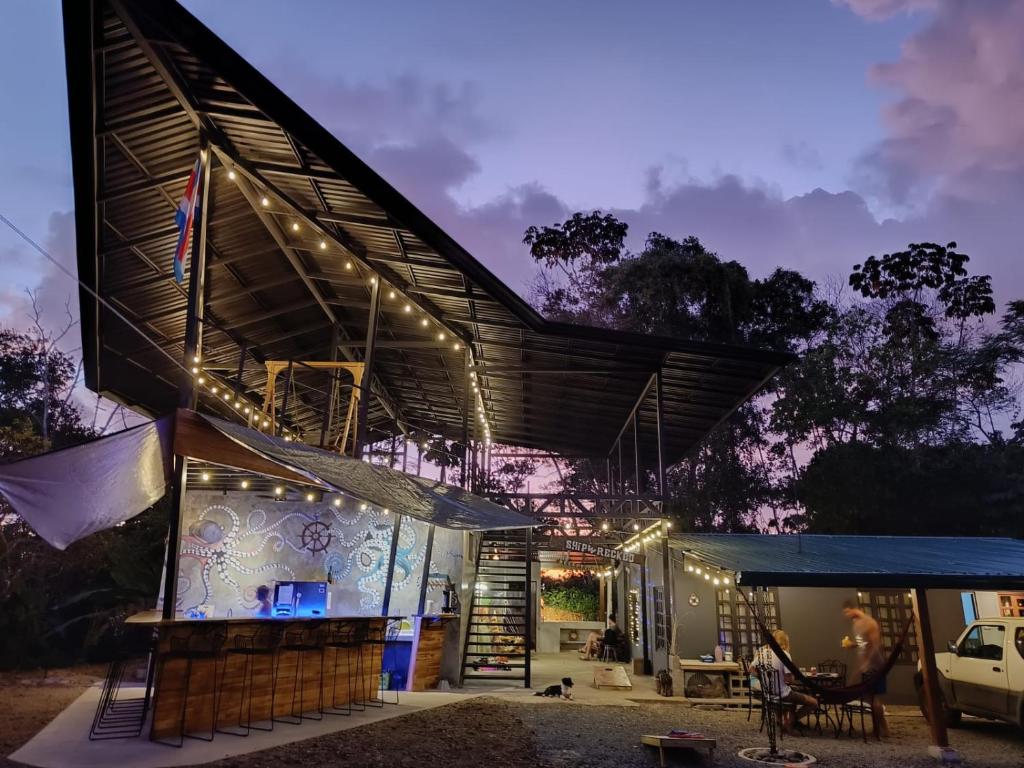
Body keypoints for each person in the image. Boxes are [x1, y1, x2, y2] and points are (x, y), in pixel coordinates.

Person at [842, 599, 890, 738]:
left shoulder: (869, 622)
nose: (846, 615)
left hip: (875, 665)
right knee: (869, 697)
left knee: (874, 698)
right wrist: (852, 645)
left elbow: (875, 645)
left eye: (847, 612)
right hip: (866, 666)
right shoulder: (856, 623)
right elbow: (864, 643)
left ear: (853, 609)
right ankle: (877, 728)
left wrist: (867, 663)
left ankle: (884, 729)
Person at [753, 629, 817, 734]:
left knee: (793, 694)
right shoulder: (785, 655)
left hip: (768, 693)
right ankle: (790, 721)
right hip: (782, 694)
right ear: (785, 641)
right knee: (814, 703)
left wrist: (764, 678)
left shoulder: (762, 653)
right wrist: (790, 677)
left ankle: (783, 721)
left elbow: (751, 670)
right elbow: (789, 680)